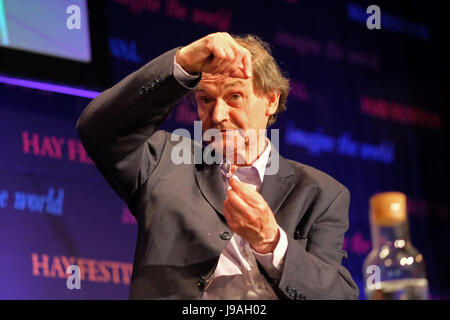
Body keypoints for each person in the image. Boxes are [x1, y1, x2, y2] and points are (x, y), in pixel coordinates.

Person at [76, 32, 359, 300]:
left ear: (271, 100)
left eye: (234, 97)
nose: (218, 115)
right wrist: (183, 63)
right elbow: (99, 129)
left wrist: (272, 243)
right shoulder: (163, 162)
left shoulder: (320, 193)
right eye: (206, 100)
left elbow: (335, 294)